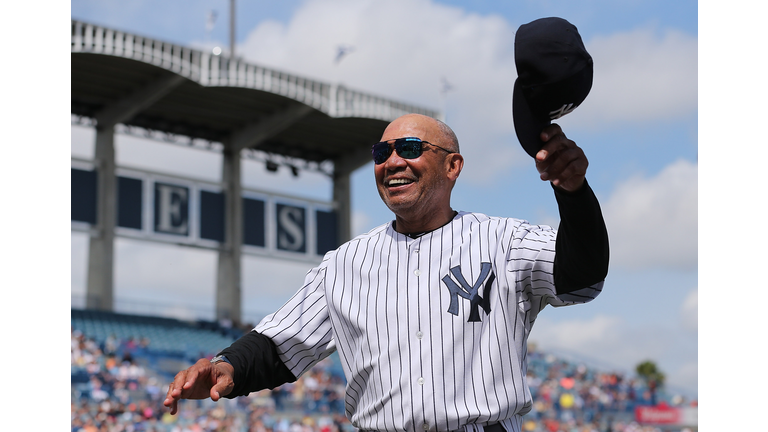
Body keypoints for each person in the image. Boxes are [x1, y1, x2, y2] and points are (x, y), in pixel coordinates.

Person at [164, 113, 609, 432]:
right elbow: (280, 343)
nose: (392, 161)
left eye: (411, 149)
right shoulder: (345, 263)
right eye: (382, 151)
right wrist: (226, 366)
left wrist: (573, 193)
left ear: (452, 166)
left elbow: (581, 275)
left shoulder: (504, 240)